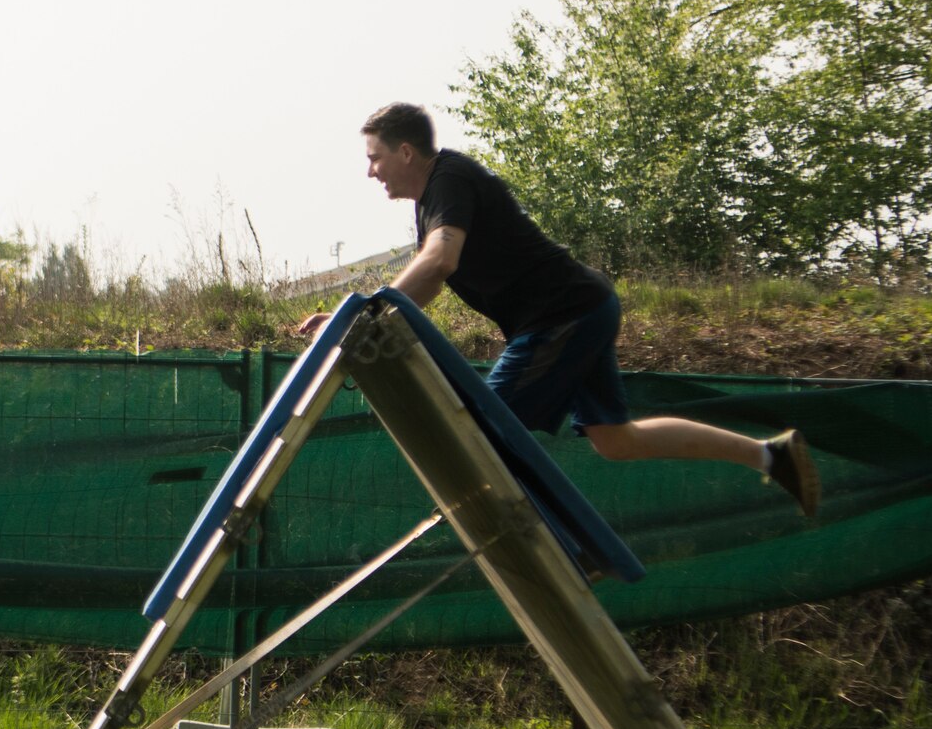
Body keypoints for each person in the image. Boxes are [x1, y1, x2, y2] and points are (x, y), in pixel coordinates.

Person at [297, 102, 820, 518]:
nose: (370, 171)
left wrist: (359, 315)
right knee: (616, 440)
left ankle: (567, 548)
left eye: (374, 157)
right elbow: (431, 277)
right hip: (582, 307)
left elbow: (439, 261)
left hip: (561, 315)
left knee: (480, 434)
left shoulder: (447, 179)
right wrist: (362, 316)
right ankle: (770, 456)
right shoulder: (435, 195)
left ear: (406, 152)